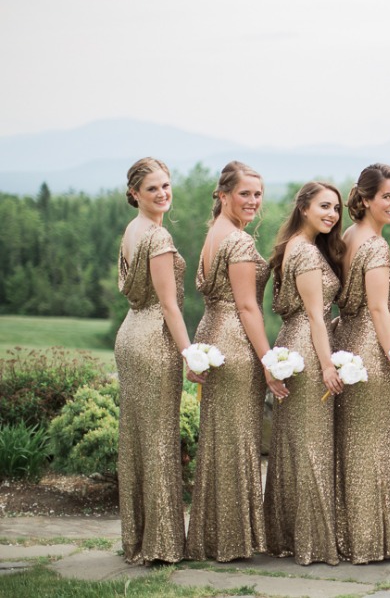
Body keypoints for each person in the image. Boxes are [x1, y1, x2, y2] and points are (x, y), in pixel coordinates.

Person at [333, 163, 390, 564]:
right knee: (376, 445)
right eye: (386, 196)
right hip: (372, 346)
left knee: (354, 442)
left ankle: (351, 533)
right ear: (365, 198)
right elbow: (378, 307)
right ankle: (371, 540)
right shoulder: (375, 246)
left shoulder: (348, 236)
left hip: (348, 340)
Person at [186, 161, 274, 562]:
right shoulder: (238, 242)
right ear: (223, 196)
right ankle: (233, 540)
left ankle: (214, 535)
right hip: (236, 344)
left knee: (221, 438)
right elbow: (247, 306)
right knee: (238, 440)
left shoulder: (215, 234)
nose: (253, 200)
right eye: (245, 194)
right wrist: (268, 358)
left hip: (213, 334)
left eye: (257, 194)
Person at [263, 182, 346, 565]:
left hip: (293, 342)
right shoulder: (308, 254)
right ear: (304, 208)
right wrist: (327, 364)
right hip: (309, 349)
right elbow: (316, 316)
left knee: (296, 442)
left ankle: (290, 535)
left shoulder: (293, 245)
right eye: (324, 206)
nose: (331, 214)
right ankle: (311, 541)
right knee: (312, 444)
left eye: (335, 208)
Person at [115, 157, 189, 564]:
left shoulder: (134, 230)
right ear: (135, 194)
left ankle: (138, 538)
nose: (163, 193)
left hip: (129, 335)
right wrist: (190, 353)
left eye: (166, 185)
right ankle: (160, 544)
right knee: (159, 438)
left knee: (138, 439)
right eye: (153, 189)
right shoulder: (158, 239)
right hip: (153, 341)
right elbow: (170, 306)